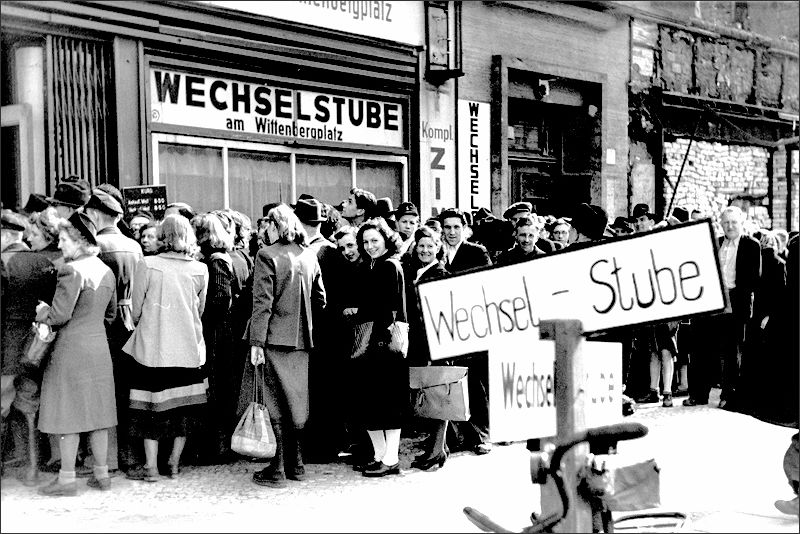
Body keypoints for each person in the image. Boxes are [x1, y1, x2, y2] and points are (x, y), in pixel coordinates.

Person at [35, 212, 118, 495]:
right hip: (98, 348)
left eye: (63, 239)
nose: (59, 245)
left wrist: (42, 311)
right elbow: (111, 314)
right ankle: (102, 475)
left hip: (70, 349)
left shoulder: (71, 271)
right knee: (98, 411)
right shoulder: (106, 271)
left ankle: (67, 479)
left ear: (79, 242)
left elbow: (59, 315)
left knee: (68, 411)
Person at [122, 215, 209, 483]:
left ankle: (150, 467)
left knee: (149, 409)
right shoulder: (200, 269)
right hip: (187, 349)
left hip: (152, 349)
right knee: (182, 410)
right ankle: (173, 463)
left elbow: (135, 310)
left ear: (163, 236)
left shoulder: (147, 265)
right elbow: (200, 310)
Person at [247, 204, 326, 488]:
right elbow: (320, 300)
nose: (264, 229)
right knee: (297, 401)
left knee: (273, 402)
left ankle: (278, 467)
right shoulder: (309, 255)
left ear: (275, 225)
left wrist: (256, 341)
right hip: (302, 339)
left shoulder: (266, 255)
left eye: (267, 224)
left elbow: (262, 304)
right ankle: (298, 464)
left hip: (272, 338)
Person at [84, 188, 144, 473]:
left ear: (96, 213)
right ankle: (130, 456)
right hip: (131, 324)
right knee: (128, 391)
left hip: (104, 326)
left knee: (102, 391)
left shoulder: (95, 244)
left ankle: (105, 458)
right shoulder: (135, 245)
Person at [684, 206, 761, 410]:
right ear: (721, 224)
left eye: (734, 222)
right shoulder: (717, 242)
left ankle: (728, 395)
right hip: (713, 303)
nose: (730, 226)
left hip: (736, 305)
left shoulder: (751, 245)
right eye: (726, 222)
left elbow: (754, 278)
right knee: (703, 351)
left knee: (731, 352)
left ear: (741, 223)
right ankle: (699, 394)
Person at [0, 210, 57, 486]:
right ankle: (32, 469)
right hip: (35, 346)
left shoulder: (4, 262)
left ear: (5, 234)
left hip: (7, 348)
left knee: (2, 406)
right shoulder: (44, 261)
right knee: (29, 406)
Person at [348, 218, 407, 476]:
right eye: (365, 242)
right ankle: (380, 455)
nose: (370, 245)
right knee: (372, 403)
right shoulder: (373, 266)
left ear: (386, 239)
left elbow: (390, 309)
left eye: (375, 240)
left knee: (387, 404)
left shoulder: (389, 266)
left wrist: (378, 338)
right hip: (373, 344)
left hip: (382, 345)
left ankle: (390, 459)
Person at [438, 208, 493, 455]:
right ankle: (456, 435)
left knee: (475, 384)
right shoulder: (436, 252)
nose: (451, 232)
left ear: (464, 228)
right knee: (449, 380)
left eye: (455, 227)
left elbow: (485, 284)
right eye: (447, 227)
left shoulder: (476, 251)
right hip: (443, 326)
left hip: (471, 325)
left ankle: (481, 435)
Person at [403, 226, 451, 471]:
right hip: (421, 343)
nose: (425, 250)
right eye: (421, 246)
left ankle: (436, 452)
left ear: (438, 248)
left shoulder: (440, 273)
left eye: (430, 246)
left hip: (433, 343)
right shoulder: (417, 270)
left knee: (436, 396)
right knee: (429, 395)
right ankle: (438, 447)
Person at [192, 212, 236, 462]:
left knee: (216, 387)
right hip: (221, 331)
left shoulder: (216, 260)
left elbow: (221, 297)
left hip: (216, 333)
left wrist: (202, 317)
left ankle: (218, 448)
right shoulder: (220, 258)